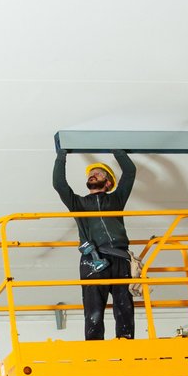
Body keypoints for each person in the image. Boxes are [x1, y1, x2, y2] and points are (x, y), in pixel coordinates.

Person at [53, 143, 138, 339]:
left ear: (108, 183)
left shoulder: (116, 199)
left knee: (124, 306)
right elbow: (59, 184)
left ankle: (125, 345)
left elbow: (130, 172)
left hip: (119, 258)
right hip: (93, 259)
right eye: (91, 174)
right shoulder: (79, 204)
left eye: (99, 174)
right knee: (93, 310)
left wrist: (115, 148)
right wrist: (61, 155)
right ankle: (94, 349)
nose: (93, 175)